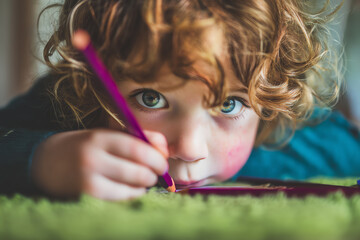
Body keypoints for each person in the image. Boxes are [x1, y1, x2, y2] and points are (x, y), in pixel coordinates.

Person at [0, 0, 359, 201]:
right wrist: (42, 159)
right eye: (151, 98)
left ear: (270, 106)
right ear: (92, 86)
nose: (188, 148)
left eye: (229, 105)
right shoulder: (64, 102)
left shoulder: (296, 139)